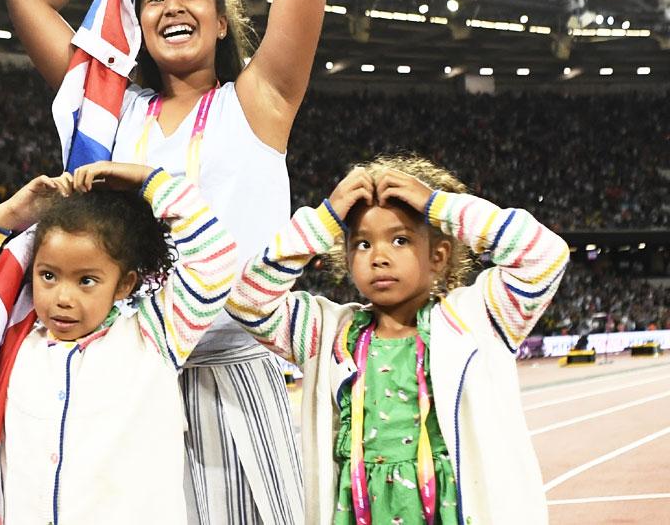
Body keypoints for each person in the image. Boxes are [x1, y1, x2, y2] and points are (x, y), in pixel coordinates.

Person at [5, 0, 328, 523]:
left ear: (223, 22)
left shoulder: (260, 99)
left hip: (235, 370)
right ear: (136, 20)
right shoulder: (110, 113)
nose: (173, 6)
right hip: (129, 374)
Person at [227, 154, 570, 524]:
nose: (379, 257)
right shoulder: (326, 333)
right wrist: (323, 220)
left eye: (401, 240)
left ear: (438, 256)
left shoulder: (476, 320)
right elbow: (248, 302)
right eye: (362, 244)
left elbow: (544, 256)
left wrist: (438, 205)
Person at [0, 161, 242, 523]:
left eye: (86, 280)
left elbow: (216, 260)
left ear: (124, 284)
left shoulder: (155, 336)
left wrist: (148, 180)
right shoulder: (5, 343)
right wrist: (10, 214)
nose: (63, 297)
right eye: (48, 276)